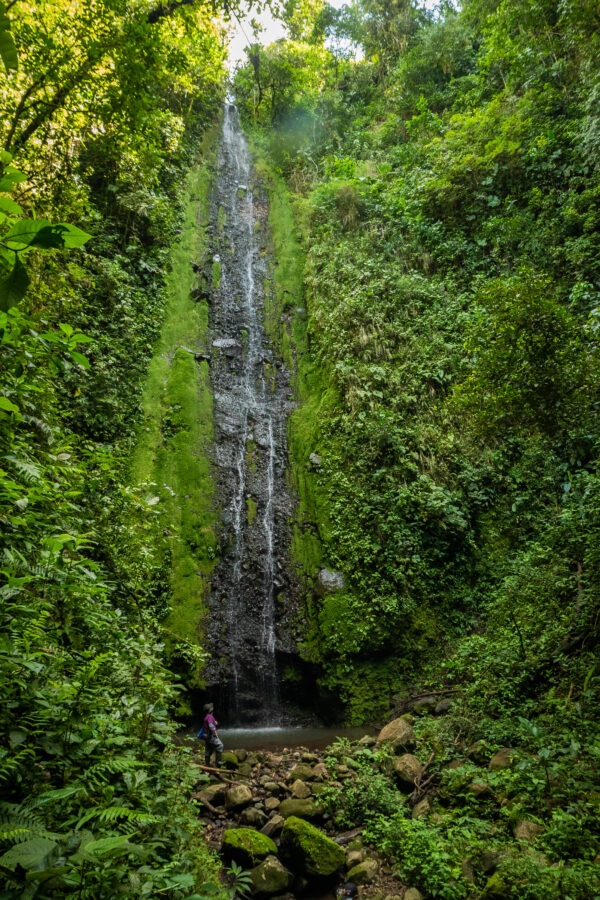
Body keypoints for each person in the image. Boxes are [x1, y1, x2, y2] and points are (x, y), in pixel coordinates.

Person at [202, 702, 223, 768]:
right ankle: (218, 762)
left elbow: (209, 724)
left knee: (208, 749)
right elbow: (211, 726)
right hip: (211, 736)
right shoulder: (210, 716)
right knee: (220, 745)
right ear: (211, 710)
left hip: (206, 736)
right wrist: (215, 733)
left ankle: (207, 764)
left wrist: (214, 722)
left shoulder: (206, 717)